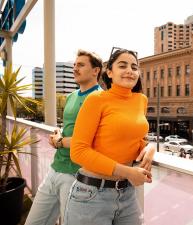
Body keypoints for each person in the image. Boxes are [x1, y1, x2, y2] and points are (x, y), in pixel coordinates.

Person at [63, 48, 155, 225]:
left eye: (134, 67)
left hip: (127, 194)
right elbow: (78, 151)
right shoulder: (96, 99)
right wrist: (128, 172)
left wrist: (149, 148)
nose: (130, 70)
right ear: (110, 72)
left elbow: (134, 137)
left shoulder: (141, 100)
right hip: (91, 195)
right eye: (122, 65)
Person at [25, 50, 103, 225]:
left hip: (78, 175)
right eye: (75, 65)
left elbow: (97, 140)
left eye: (81, 65)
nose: (75, 68)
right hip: (55, 169)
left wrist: (60, 142)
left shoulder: (101, 98)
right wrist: (59, 133)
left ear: (96, 70)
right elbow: (69, 126)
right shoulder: (71, 96)